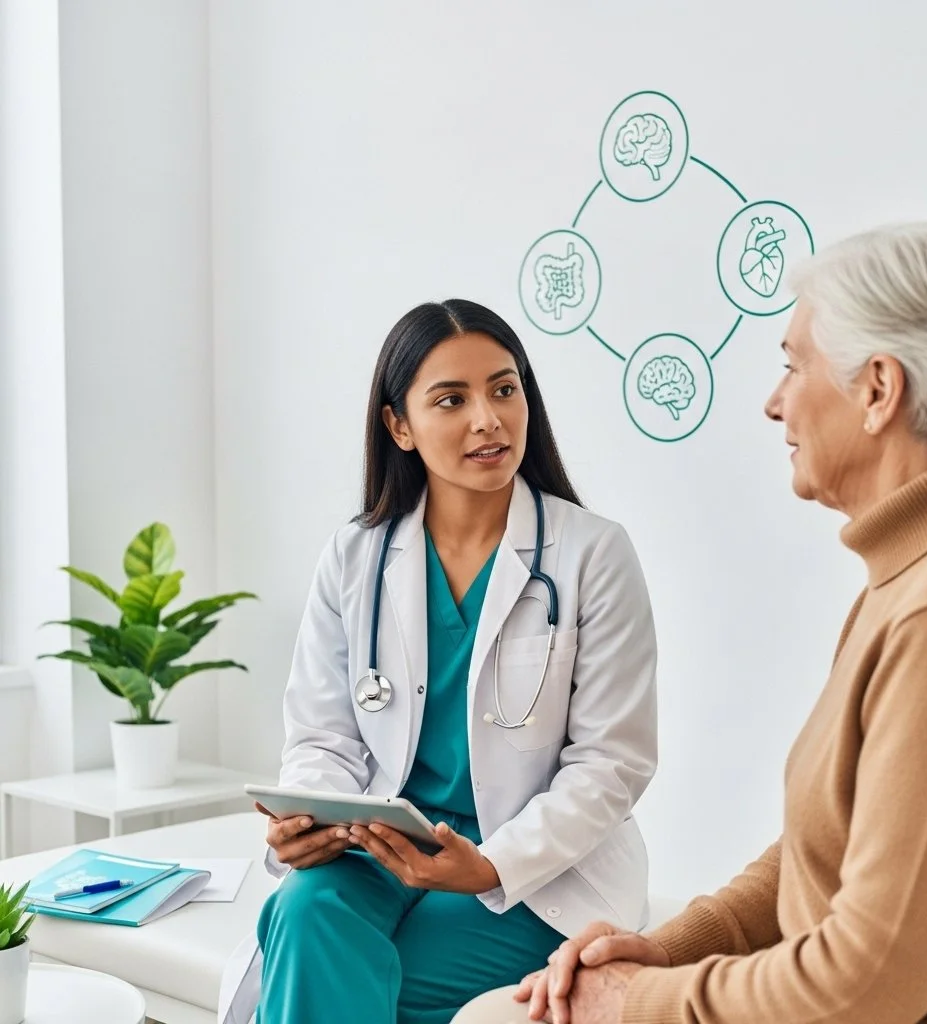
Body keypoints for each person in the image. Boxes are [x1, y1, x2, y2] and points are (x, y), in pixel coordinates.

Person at [463, 222, 927, 1024]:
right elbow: (830, 852)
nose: (773, 402)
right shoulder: (919, 580)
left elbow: (868, 982)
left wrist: (639, 1001)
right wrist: (675, 943)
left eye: (793, 367)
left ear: (878, 390)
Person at [217, 299, 659, 1024]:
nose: (487, 418)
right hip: (385, 846)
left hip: (533, 871)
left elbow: (613, 763)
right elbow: (323, 735)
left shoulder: (593, 554)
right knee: (303, 914)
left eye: (504, 389)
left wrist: (489, 865)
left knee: (353, 979)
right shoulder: (356, 555)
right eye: (451, 400)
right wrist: (310, 817)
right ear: (399, 425)